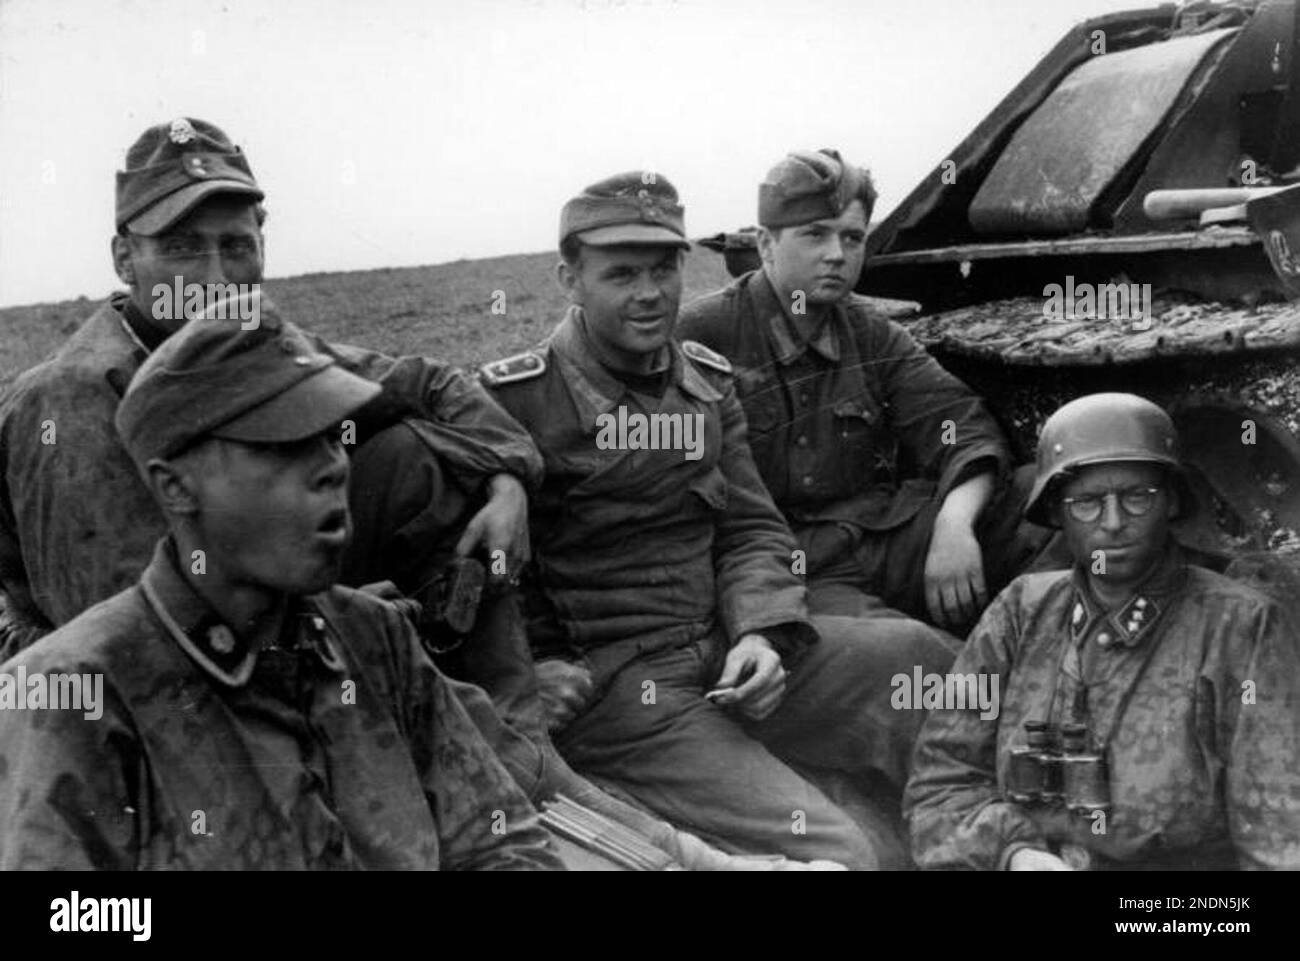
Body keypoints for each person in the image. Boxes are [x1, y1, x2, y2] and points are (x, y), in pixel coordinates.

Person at [479, 171, 957, 869]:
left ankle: (1002, 841)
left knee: (921, 662)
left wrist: (762, 630)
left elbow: (751, 529)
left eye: (664, 269)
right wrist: (523, 676)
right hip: (621, 692)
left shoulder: (704, 383)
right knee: (840, 848)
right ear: (570, 279)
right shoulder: (515, 401)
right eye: (621, 274)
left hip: (722, 650)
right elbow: (470, 575)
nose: (649, 294)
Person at [0, 306, 562, 870]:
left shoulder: (374, 637)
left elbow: (501, 841)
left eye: (330, 436)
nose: (332, 468)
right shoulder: (74, 693)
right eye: (281, 444)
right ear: (174, 487)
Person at [0, 117, 538, 654]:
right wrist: (347, 625)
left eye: (235, 245)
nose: (214, 278)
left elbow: (429, 383)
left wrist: (507, 479)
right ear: (124, 259)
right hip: (111, 694)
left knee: (412, 456)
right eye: (182, 247)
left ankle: (507, 721)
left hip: (258, 620)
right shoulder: (70, 401)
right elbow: (130, 637)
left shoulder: (253, 349)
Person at [903, 393, 1300, 870]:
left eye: (1138, 498)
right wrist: (1013, 854)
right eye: (1088, 503)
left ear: (1172, 502)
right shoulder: (1018, 612)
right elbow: (939, 788)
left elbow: (1279, 835)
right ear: (1056, 513)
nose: (1113, 523)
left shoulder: (1242, 626)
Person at [677, 148, 1048, 631]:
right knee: (912, 660)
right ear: (766, 244)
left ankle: (1037, 653)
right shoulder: (703, 334)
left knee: (1055, 497)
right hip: (786, 570)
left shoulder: (870, 332)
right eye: (815, 234)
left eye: (852, 237)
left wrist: (954, 524)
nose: (837, 254)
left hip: (881, 539)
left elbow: (958, 425)